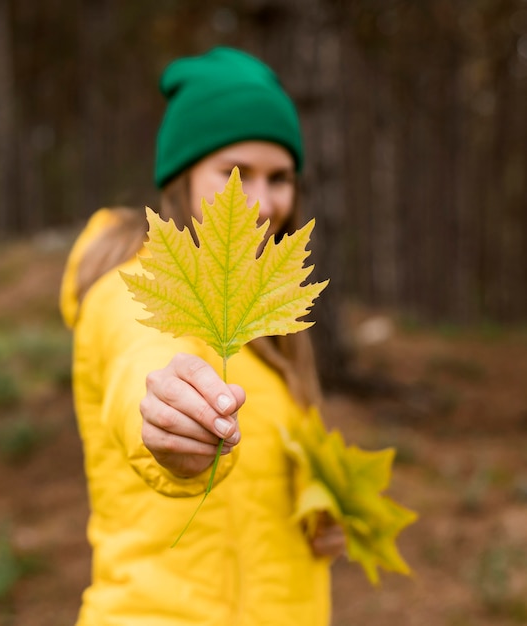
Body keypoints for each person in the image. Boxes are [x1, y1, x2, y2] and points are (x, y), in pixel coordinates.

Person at [60, 46, 345, 626]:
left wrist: (321, 511)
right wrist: (164, 417)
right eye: (235, 173)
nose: (263, 203)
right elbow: (141, 353)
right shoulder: (137, 281)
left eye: (280, 177)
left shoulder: (269, 324)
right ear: (182, 176)